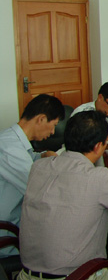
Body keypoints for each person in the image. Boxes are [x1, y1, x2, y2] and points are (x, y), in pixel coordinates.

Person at [17, 111, 108, 280]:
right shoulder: (98, 178)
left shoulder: (38, 167)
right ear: (99, 146)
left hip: (26, 279)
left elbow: (80, 190)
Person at [0, 95, 64, 259]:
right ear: (41, 119)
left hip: (18, 223)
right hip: (8, 235)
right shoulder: (9, 148)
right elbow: (39, 189)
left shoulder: (12, 140)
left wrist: (42, 155)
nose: (52, 132)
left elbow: (27, 160)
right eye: (53, 125)